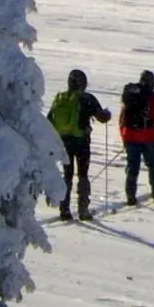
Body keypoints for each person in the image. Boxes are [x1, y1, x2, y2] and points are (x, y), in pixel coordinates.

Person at [46, 69, 111, 221]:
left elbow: (50, 120)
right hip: (81, 142)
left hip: (64, 142)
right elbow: (101, 117)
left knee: (67, 175)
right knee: (82, 175)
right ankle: (83, 210)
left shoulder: (60, 98)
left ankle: (64, 210)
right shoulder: (86, 98)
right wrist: (107, 114)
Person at [119, 70, 154, 205]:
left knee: (132, 166)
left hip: (130, 136)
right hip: (148, 137)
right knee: (153, 165)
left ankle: (130, 196)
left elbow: (123, 119)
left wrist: (124, 137)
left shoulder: (130, 95)